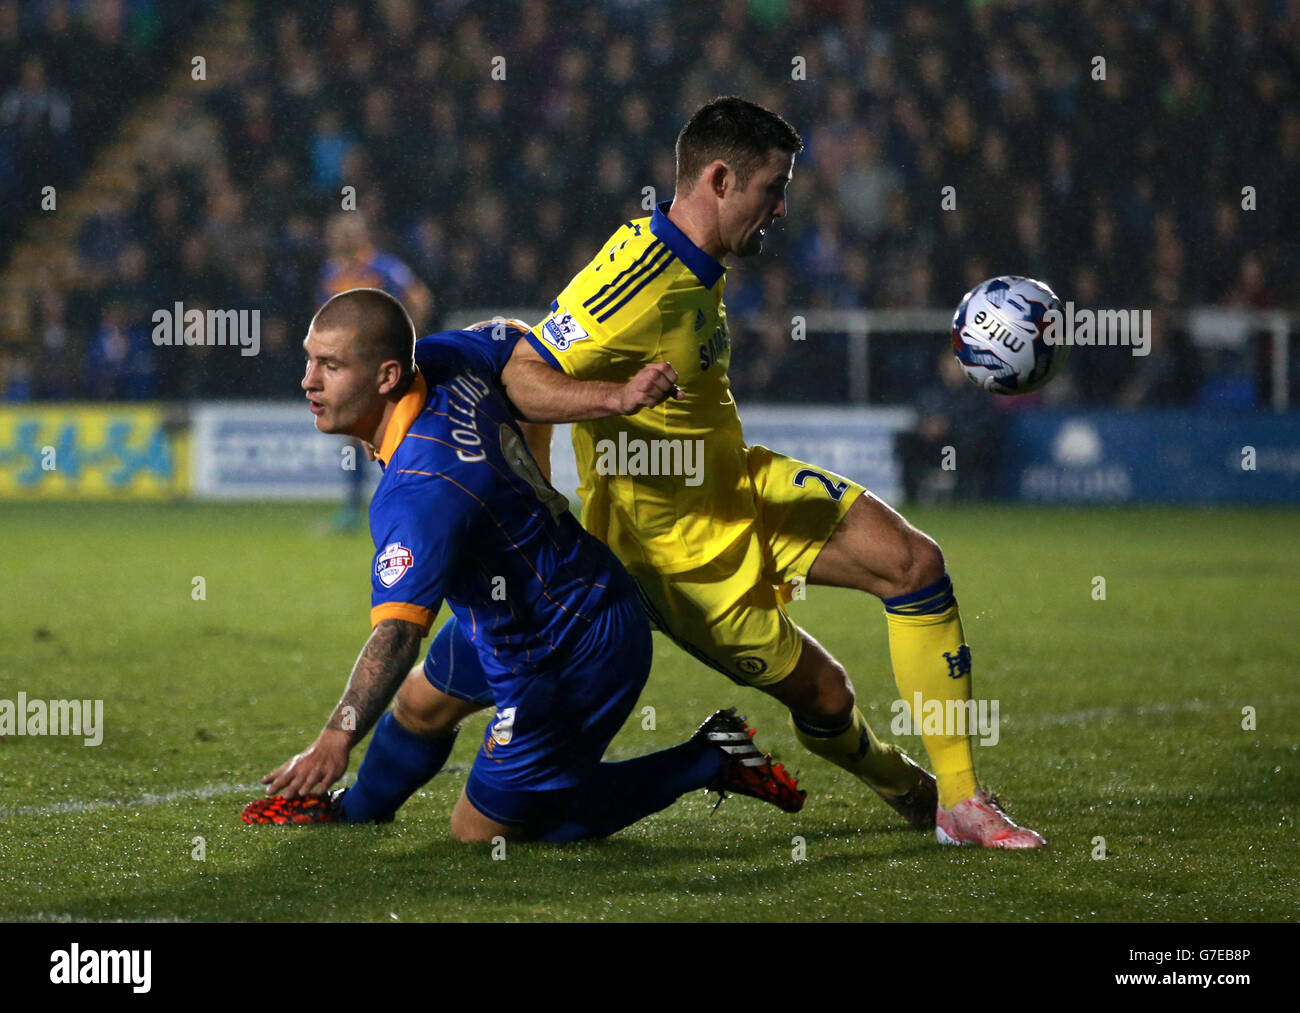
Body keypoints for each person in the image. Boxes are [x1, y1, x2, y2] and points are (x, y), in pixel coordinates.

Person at [499, 96, 1045, 848]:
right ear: (720, 178)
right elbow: (523, 373)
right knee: (826, 694)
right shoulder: (635, 279)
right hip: (679, 556)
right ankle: (905, 786)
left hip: (738, 484)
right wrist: (612, 397)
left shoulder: (696, 257)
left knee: (916, 563)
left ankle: (961, 802)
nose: (782, 206)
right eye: (772, 188)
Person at [241, 288, 804, 841]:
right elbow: (514, 335)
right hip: (520, 605)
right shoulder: (442, 356)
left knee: (480, 832)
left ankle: (709, 759)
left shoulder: (420, 491)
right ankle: (357, 813)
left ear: (387, 378)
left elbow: (395, 637)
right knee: (418, 704)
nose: (308, 381)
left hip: (571, 647)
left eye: (330, 366)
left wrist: (336, 737)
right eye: (311, 359)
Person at [317, 213, 434, 532]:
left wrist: (406, 339)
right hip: (350, 366)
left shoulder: (383, 267)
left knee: (396, 430)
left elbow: (420, 298)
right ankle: (356, 508)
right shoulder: (331, 273)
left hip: (382, 363)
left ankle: (405, 503)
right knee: (355, 434)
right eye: (338, 230)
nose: (341, 236)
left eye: (348, 230)